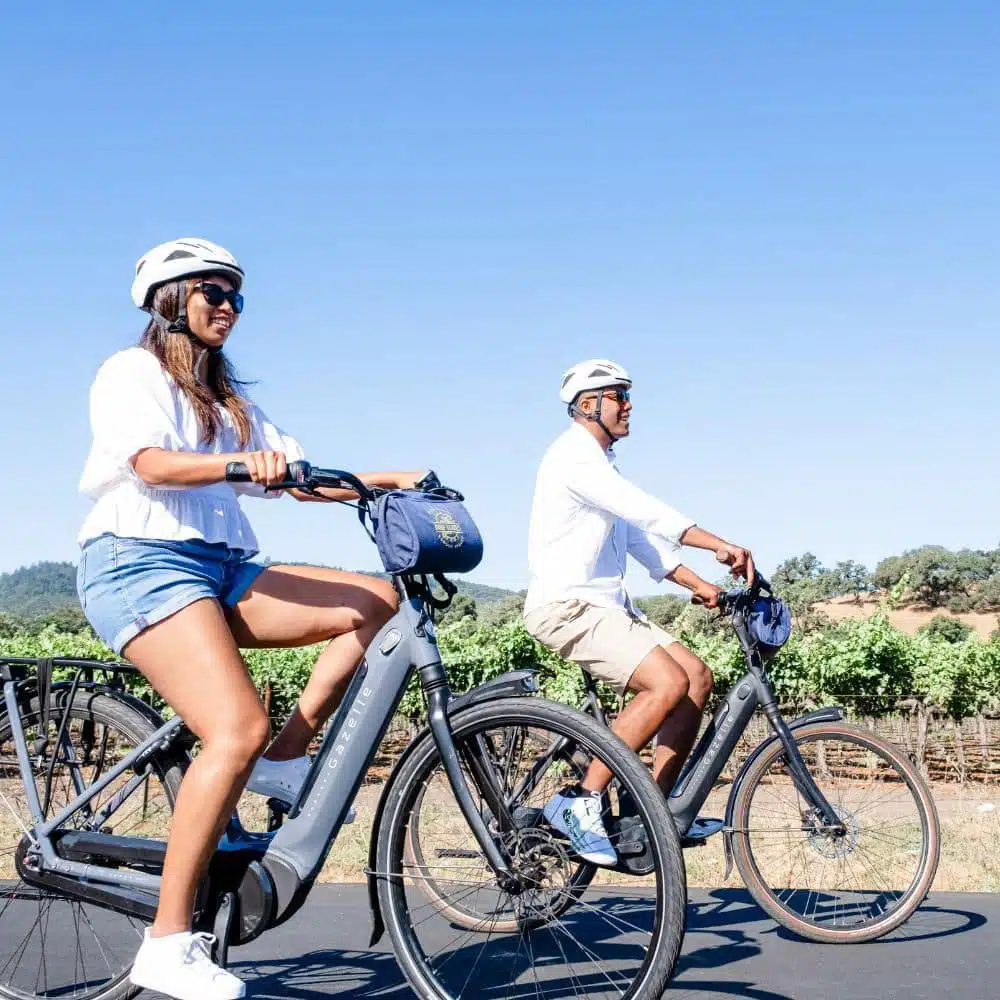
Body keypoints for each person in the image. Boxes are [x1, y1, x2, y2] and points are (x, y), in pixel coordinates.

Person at [76, 238, 424, 1000]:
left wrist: (391, 479)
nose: (229, 306)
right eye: (213, 292)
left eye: (237, 295)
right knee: (232, 726)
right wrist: (239, 467)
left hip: (224, 568)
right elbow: (150, 465)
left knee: (379, 602)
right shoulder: (129, 373)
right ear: (169, 298)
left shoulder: (231, 399)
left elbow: (300, 481)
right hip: (139, 561)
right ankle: (166, 943)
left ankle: (284, 756)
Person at [523, 359, 755, 865]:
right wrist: (717, 544)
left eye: (627, 395)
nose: (629, 405)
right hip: (567, 606)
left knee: (696, 676)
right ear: (589, 405)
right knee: (666, 683)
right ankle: (578, 802)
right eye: (618, 396)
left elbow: (640, 541)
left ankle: (647, 811)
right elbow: (646, 510)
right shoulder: (574, 458)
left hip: (603, 606)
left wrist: (700, 585)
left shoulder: (600, 466)